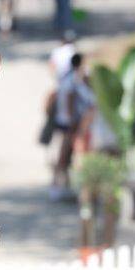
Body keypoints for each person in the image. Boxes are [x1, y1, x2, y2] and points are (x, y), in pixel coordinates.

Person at [50, 52, 96, 199]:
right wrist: (73, 122)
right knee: (67, 155)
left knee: (66, 155)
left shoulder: (67, 77)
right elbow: (71, 100)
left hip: (68, 122)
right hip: (71, 124)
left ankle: (63, 185)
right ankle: (58, 187)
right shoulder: (72, 79)